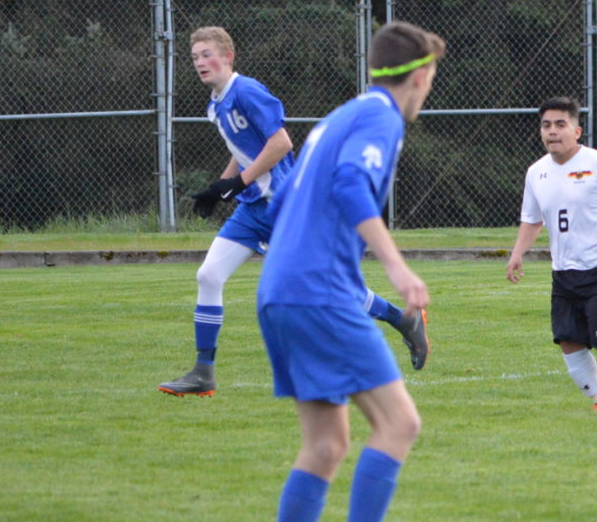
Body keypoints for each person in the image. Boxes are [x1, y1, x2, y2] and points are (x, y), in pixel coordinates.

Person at [244, 21, 444, 522]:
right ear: (420, 75)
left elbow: (282, 202)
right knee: (399, 423)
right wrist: (397, 269)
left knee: (327, 443)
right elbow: (352, 184)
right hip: (319, 293)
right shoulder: (382, 117)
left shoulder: (339, 116)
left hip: (279, 291)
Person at [159, 26, 427, 397]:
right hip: (253, 209)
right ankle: (203, 372)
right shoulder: (215, 104)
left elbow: (281, 142)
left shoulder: (246, 91)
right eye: (194, 57)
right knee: (208, 275)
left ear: (228, 57)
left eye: (207, 54)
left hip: (283, 207)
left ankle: (403, 320)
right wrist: (220, 186)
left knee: (331, 287)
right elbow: (244, 150)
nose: (200, 62)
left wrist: (238, 182)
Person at [506, 97, 597, 412]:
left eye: (560, 124)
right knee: (568, 341)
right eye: (546, 125)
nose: (552, 131)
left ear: (577, 131)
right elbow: (532, 219)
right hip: (563, 272)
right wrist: (517, 252)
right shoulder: (536, 172)